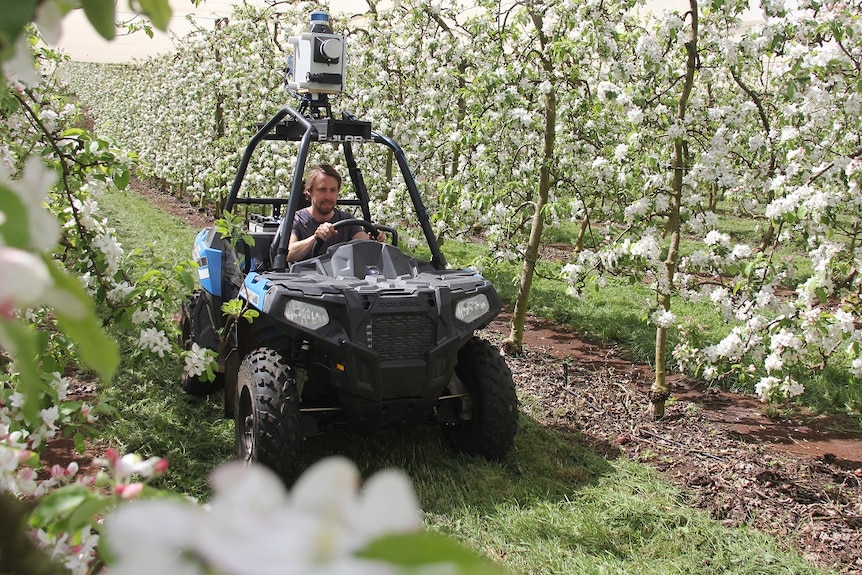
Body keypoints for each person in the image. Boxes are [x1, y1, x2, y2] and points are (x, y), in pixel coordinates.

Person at [287, 164, 383, 263]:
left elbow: (363, 243)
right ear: (309, 192)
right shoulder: (295, 220)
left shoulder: (347, 221)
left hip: (339, 276)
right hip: (303, 276)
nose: (328, 196)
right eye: (322, 190)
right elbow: (289, 254)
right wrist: (315, 238)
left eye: (333, 190)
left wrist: (374, 241)